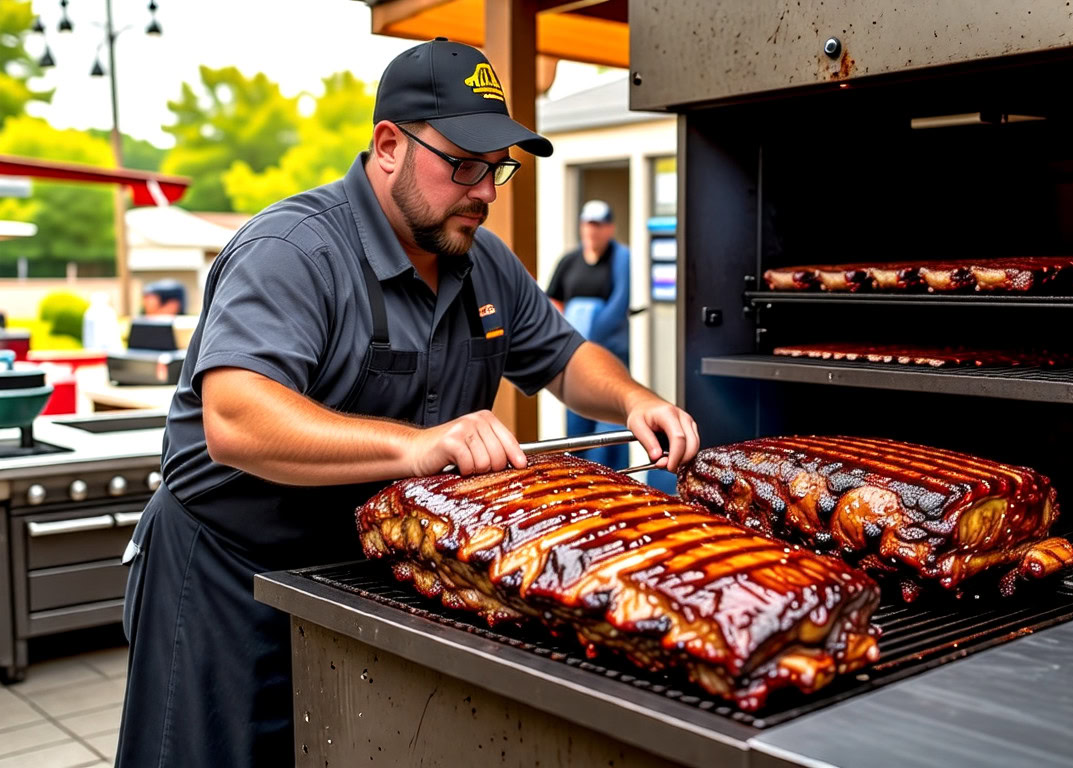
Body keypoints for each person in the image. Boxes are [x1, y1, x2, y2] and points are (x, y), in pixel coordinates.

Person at [115, 38, 699, 768]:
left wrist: (634, 400)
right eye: (463, 165)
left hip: (362, 577)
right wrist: (416, 446)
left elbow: (565, 356)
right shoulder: (293, 250)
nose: (485, 190)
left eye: (498, 169)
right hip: (227, 582)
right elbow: (235, 418)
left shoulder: (483, 261)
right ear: (388, 145)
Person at [546, 200, 631, 469]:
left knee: (609, 430)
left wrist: (588, 340)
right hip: (574, 359)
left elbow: (620, 304)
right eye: (588, 225)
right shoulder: (569, 261)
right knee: (577, 431)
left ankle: (614, 483)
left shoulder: (621, 258)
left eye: (598, 225)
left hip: (609, 356)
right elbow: (553, 299)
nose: (592, 231)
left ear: (610, 228)